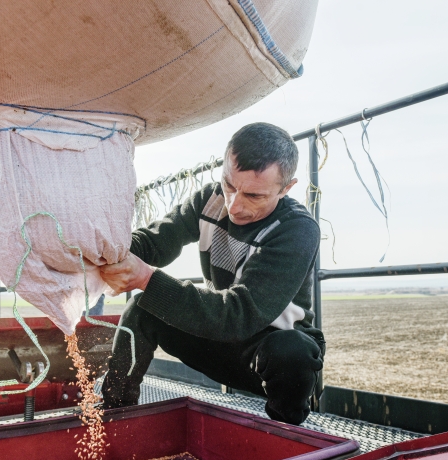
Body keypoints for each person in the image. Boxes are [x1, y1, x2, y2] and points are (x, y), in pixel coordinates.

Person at [99, 122, 324, 425]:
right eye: (229, 185)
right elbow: (153, 242)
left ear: (286, 189)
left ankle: (287, 434)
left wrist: (145, 277)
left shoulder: (297, 230)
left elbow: (238, 314)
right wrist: (105, 251)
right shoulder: (210, 200)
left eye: (254, 196)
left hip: (266, 354)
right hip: (217, 341)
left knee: (292, 351)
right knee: (141, 308)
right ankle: (113, 416)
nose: (234, 205)